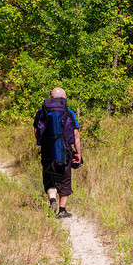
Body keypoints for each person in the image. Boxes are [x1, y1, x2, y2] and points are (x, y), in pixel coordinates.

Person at [33, 88, 82, 218]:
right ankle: (62, 210)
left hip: (47, 152)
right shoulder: (69, 112)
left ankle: (52, 200)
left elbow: (37, 132)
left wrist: (43, 144)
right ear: (64, 98)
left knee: (50, 178)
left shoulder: (40, 112)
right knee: (65, 179)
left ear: (51, 97)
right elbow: (76, 135)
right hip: (65, 151)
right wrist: (78, 153)